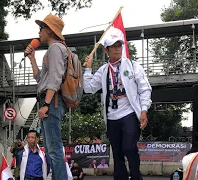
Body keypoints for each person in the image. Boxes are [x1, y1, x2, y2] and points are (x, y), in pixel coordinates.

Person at [83, 28, 152, 180]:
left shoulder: (133, 66)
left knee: (128, 147)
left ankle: (136, 176)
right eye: (113, 46)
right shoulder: (103, 70)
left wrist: (144, 110)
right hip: (111, 117)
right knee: (118, 154)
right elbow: (89, 88)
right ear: (106, 50)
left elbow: (145, 89)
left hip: (129, 114)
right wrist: (87, 69)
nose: (117, 49)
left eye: (119, 45)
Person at [24, 13, 68, 180]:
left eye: (41, 28)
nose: (39, 32)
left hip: (52, 102)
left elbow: (55, 78)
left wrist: (46, 104)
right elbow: (40, 78)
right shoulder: (54, 49)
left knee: (54, 150)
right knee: (52, 149)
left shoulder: (55, 48)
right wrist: (32, 59)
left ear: (50, 30)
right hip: (51, 101)